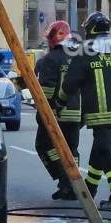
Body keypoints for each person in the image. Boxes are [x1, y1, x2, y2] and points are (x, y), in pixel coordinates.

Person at [56, 12, 111, 210]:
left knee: (107, 152)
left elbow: (70, 84)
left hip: (97, 113)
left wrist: (60, 102)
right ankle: (90, 190)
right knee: (100, 149)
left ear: (91, 29)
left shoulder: (85, 52)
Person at [34, 20, 82, 201]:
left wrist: (43, 113)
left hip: (55, 114)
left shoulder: (50, 60)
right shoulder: (77, 57)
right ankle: (73, 186)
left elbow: (46, 90)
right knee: (72, 150)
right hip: (76, 114)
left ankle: (65, 181)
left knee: (45, 147)